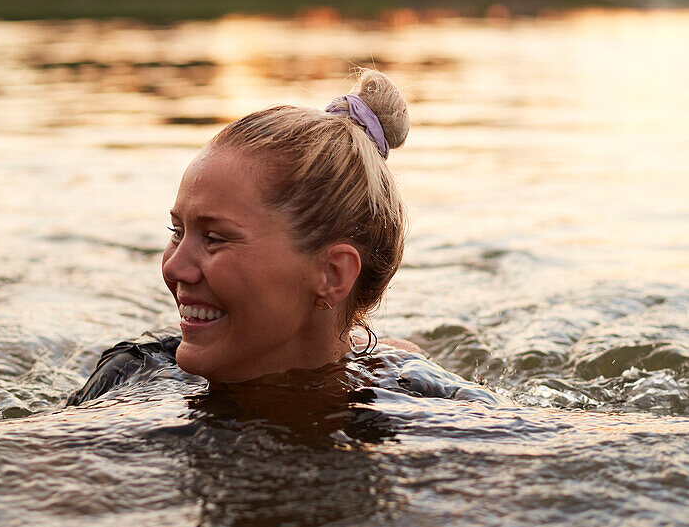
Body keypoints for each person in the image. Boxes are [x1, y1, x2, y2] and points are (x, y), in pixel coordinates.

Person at [66, 69, 498, 407]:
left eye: (214, 238)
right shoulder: (128, 381)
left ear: (332, 274)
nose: (173, 267)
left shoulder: (417, 400)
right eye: (176, 232)